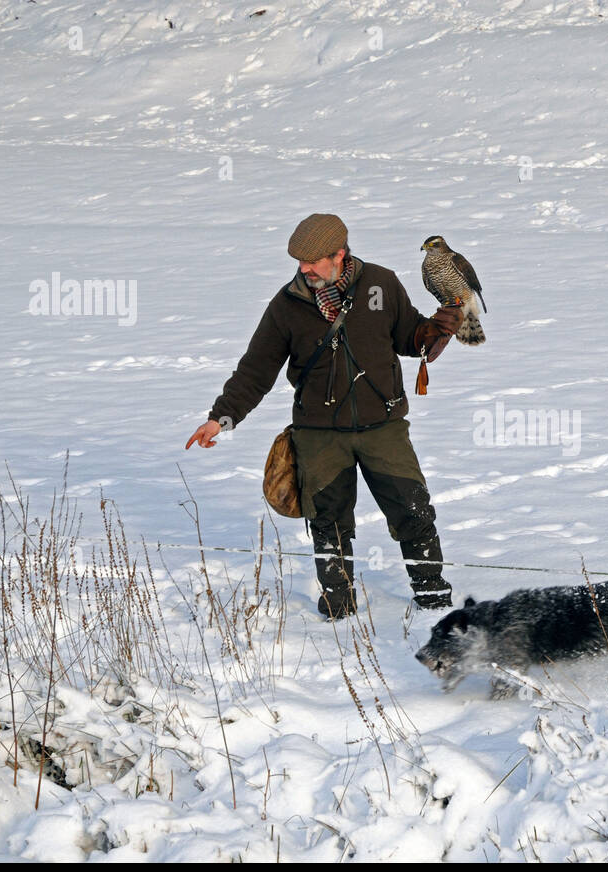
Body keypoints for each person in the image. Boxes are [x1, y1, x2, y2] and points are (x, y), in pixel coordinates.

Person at [186, 213, 462, 618]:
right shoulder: (287, 305)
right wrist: (221, 418)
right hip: (318, 433)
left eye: (313, 260)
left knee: (413, 511)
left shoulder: (380, 284)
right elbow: (255, 370)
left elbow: (408, 337)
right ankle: (338, 603)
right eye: (299, 261)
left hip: (382, 426)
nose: (304, 269)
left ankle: (434, 598)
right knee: (328, 521)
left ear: (339, 253)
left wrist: (438, 327)